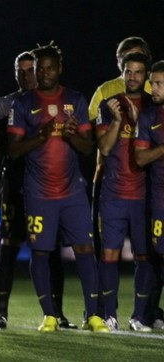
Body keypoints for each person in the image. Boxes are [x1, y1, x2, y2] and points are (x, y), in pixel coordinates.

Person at [7, 42, 108, 332]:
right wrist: (41, 136)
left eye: (50, 67)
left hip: (72, 192)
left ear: (59, 69)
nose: (45, 73)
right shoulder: (23, 104)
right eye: (41, 69)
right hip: (39, 193)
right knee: (40, 253)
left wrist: (71, 134)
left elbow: (88, 148)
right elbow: (13, 151)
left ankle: (93, 315)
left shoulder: (75, 99)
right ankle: (49, 315)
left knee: (85, 250)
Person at [0, 51, 74, 329]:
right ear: (15, 73)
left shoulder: (55, 102)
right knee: (9, 246)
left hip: (47, 185)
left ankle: (57, 313)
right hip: (14, 184)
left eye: (31, 70)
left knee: (50, 250)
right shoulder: (3, 104)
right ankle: (0, 313)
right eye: (21, 70)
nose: (27, 75)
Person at [96, 52, 154, 332]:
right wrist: (120, 122)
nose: (132, 77)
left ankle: (139, 317)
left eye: (138, 73)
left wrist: (139, 120)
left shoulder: (154, 107)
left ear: (146, 76)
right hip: (114, 194)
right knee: (110, 256)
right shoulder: (110, 106)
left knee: (144, 257)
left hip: (144, 197)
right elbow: (105, 148)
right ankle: (110, 315)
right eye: (128, 72)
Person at [134, 60, 164, 332]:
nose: (151, 87)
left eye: (157, 83)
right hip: (160, 202)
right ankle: (144, 315)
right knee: (159, 257)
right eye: (151, 82)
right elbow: (141, 157)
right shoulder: (148, 117)